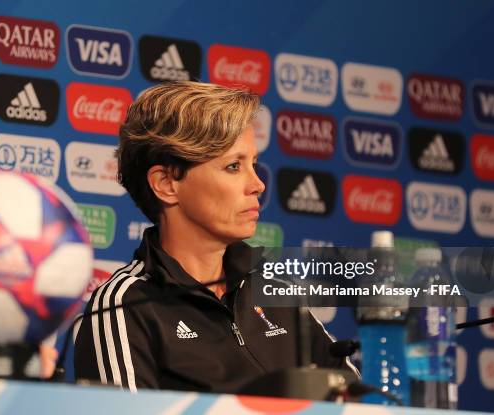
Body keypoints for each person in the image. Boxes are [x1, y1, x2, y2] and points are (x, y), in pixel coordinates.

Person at [74, 81, 357, 393]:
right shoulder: (125, 307)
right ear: (166, 183)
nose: (258, 185)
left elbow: (359, 403)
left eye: (253, 164)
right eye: (234, 166)